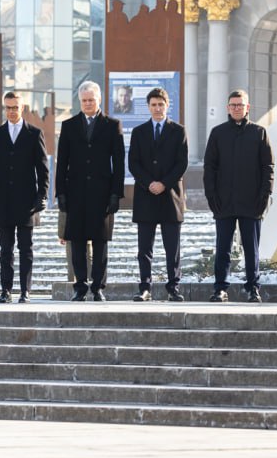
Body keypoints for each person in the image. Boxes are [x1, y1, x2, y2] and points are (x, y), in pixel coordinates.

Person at [55, 81, 125, 301]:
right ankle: (80, 286)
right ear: (80, 101)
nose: (87, 103)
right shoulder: (68, 126)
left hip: (102, 193)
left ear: (99, 100)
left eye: (91, 100)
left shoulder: (112, 125)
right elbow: (61, 163)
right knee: (76, 241)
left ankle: (98, 287)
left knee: (100, 241)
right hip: (75, 193)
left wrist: (116, 193)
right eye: (84, 100)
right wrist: (61, 193)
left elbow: (119, 163)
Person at [203, 90, 273, 302]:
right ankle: (220, 289)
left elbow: (267, 167)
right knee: (222, 248)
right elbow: (210, 168)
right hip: (223, 202)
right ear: (227, 108)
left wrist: (264, 195)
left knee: (251, 249)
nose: (236, 108)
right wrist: (212, 196)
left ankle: (253, 288)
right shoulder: (218, 133)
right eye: (233, 105)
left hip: (252, 202)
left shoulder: (259, 132)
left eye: (240, 105)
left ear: (247, 108)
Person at [0, 91, 49, 303]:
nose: (11, 111)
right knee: (5, 249)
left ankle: (25, 291)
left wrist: (42, 196)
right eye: (8, 107)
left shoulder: (34, 133)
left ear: (22, 108)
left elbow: (43, 169)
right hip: (3, 202)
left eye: (15, 107)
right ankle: (6, 291)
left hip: (27, 202)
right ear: (4, 108)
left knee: (26, 248)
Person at [128, 87, 188, 302]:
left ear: (167, 105)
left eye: (161, 104)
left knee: (172, 248)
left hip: (170, 196)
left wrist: (163, 183)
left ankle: (173, 287)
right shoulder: (139, 132)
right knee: (145, 248)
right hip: (146, 196)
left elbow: (182, 163)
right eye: (153, 105)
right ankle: (145, 287)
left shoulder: (178, 131)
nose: (157, 108)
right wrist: (149, 183)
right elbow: (133, 163)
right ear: (148, 107)